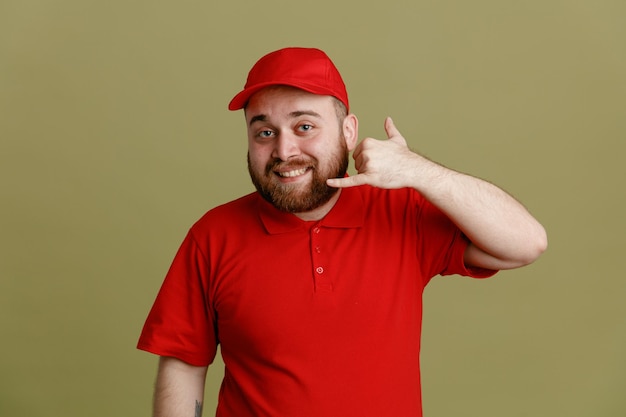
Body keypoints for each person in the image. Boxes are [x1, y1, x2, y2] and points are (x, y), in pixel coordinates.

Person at [137, 47, 547, 417]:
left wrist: (419, 172)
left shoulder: (401, 213)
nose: (283, 151)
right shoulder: (213, 235)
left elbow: (525, 244)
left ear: (349, 132)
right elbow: (183, 363)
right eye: (265, 132)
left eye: (304, 127)